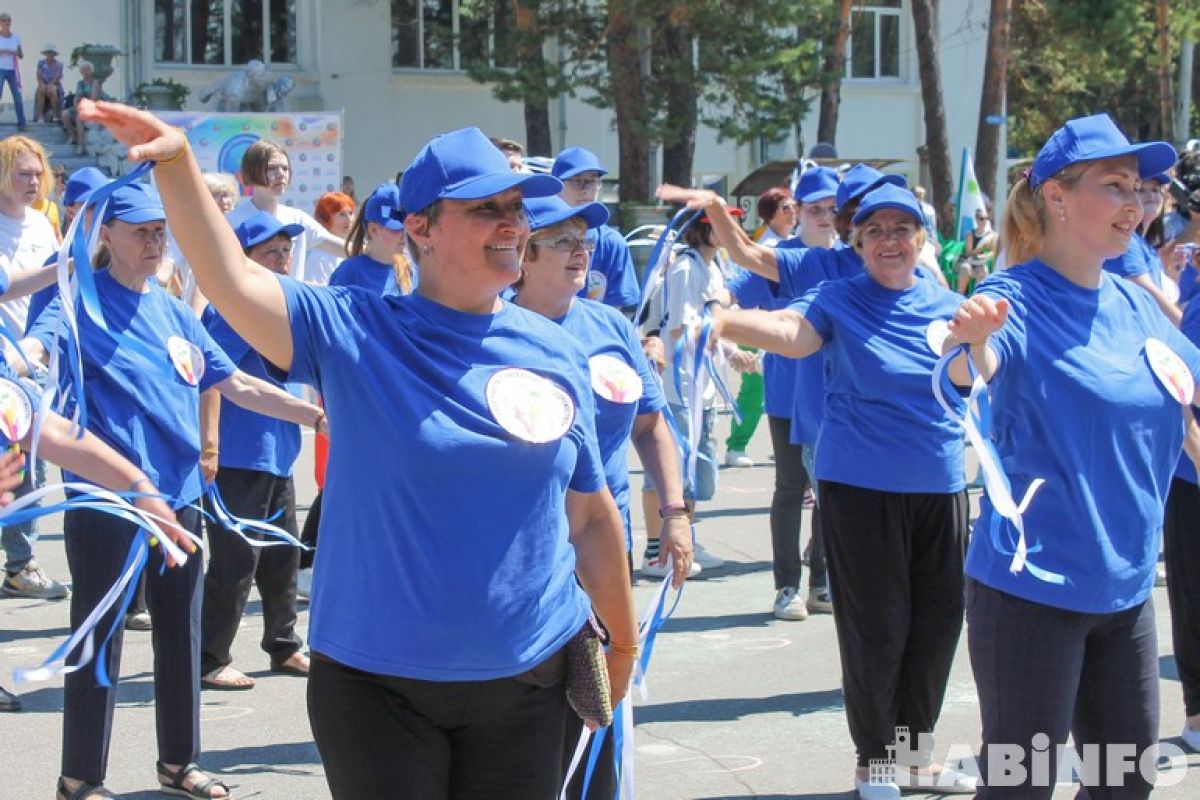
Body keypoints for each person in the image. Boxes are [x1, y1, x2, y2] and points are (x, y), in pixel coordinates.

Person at [81, 99, 638, 799]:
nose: (512, 224)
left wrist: (622, 640)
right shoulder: (354, 329)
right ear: (419, 228)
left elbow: (588, 516)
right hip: (377, 690)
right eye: (484, 208)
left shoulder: (555, 348)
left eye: (518, 209)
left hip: (528, 681)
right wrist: (176, 163)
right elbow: (232, 277)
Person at [23, 180, 333, 800]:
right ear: (104, 236)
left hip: (182, 497)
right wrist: (26, 359)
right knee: (100, 637)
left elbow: (238, 382)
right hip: (110, 500)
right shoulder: (78, 302)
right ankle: (80, 777)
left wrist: (321, 416)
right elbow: (39, 346)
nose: (153, 242)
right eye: (140, 230)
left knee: (182, 634)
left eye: (160, 231)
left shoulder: (172, 310)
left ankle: (179, 763)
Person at [945, 113, 1185, 799]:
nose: (1135, 205)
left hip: (1126, 587)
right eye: (1115, 186)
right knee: (1021, 787)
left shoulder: (1135, 304)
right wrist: (971, 343)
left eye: (1139, 189)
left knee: (1123, 785)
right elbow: (966, 365)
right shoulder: (1012, 299)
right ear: (1056, 195)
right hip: (1032, 593)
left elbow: (1186, 394)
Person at [514, 194, 693, 798]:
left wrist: (673, 511)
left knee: (603, 704)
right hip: (524, 556)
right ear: (523, 252)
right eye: (562, 240)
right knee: (529, 715)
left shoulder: (610, 325)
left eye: (583, 241)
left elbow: (650, 422)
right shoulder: (492, 325)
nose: (580, 252)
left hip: (601, 550)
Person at [199, 211, 324, 691]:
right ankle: (211, 656)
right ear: (245, 258)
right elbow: (210, 378)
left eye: (286, 250)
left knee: (281, 556)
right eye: (270, 251)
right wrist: (209, 446)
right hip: (237, 454)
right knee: (235, 560)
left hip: (277, 451)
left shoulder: (280, 306)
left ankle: (284, 644)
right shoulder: (232, 308)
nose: (282, 259)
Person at [725, 166, 839, 620]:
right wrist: (729, 341)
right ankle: (787, 586)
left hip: (839, 396)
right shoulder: (779, 258)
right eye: (815, 209)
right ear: (797, 213)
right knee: (792, 487)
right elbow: (727, 295)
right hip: (789, 391)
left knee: (833, 490)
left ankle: (822, 582)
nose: (825, 217)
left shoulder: (852, 258)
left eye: (834, 209)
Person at [0, 134, 66, 600]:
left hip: (32, 366)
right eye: (23, 172)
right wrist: (64, 267)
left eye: (38, 172)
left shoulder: (44, 226)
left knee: (32, 473)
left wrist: (38, 346)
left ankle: (21, 566)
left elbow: (56, 299)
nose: (34, 180)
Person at [722, 187, 797, 469]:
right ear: (769, 215)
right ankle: (736, 444)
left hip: (787, 328)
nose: (792, 213)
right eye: (785, 209)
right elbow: (744, 289)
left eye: (793, 207)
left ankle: (793, 455)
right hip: (760, 323)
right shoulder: (767, 247)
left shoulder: (796, 242)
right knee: (755, 390)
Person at [226, 139, 344, 285]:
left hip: (291, 306)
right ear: (252, 171)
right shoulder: (231, 222)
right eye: (272, 168)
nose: (281, 174)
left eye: (285, 168)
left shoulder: (297, 219)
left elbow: (345, 249)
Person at [552, 147, 640, 310]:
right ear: (557, 187)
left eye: (592, 181)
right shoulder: (537, 236)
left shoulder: (611, 243)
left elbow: (617, 311)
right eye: (576, 181)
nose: (585, 189)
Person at [1102, 171, 1182, 325]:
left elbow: (1165, 296)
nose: (1151, 196)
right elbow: (1145, 292)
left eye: (1155, 190)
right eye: (1140, 190)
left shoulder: (1146, 245)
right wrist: (1190, 330)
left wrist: (1174, 272)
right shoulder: (1128, 241)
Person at [329, 182, 410, 295]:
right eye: (396, 228)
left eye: (407, 226)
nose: (404, 234)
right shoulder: (349, 273)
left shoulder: (410, 271)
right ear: (373, 230)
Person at [305, 190, 355, 286]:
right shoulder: (319, 254)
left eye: (350, 213)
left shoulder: (354, 249)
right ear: (326, 218)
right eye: (342, 214)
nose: (349, 219)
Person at [61, 61, 107, 154]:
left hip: (92, 107)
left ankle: (81, 145)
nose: (85, 72)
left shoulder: (95, 82)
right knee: (64, 114)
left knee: (79, 117)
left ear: (91, 71)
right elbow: (76, 97)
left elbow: (93, 99)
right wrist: (76, 106)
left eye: (87, 70)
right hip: (81, 106)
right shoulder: (80, 83)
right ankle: (74, 137)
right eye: (83, 70)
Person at [956, 206, 996, 294]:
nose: (984, 221)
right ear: (977, 220)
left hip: (980, 262)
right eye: (982, 219)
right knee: (965, 269)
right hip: (969, 260)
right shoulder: (970, 234)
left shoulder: (990, 235)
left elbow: (993, 251)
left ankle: (976, 296)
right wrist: (981, 248)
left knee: (983, 271)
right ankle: (960, 295)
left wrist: (986, 255)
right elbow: (968, 253)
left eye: (986, 218)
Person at [0, 13, 24, 129]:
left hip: (13, 71)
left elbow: (21, 55)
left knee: (17, 96)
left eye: (8, 20)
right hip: (0, 69)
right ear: (0, 22)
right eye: (4, 20)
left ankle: (22, 122)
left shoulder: (16, 37)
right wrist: (2, 51)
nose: (7, 22)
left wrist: (15, 52)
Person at [33, 43, 62, 123]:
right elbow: (39, 74)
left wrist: (50, 84)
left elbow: (58, 77)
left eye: (52, 52)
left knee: (52, 90)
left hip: (54, 84)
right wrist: (42, 83)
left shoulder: (59, 64)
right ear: (46, 53)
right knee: (40, 90)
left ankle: (56, 115)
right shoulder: (41, 63)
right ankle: (40, 116)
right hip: (43, 83)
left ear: (54, 54)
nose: (50, 54)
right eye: (48, 52)